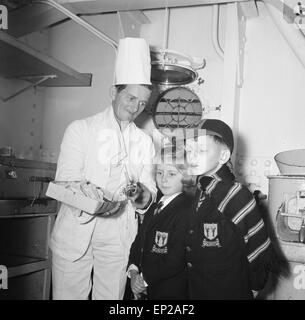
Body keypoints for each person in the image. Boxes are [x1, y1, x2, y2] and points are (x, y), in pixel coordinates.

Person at [50, 37, 157, 300]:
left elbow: (150, 194)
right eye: (131, 97)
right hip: (77, 227)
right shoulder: (81, 130)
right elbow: (66, 181)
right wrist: (94, 198)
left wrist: (142, 195)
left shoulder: (144, 141)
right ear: (113, 93)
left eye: (142, 103)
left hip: (118, 232)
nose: (135, 108)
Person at [184, 119, 274, 299]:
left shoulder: (235, 194)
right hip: (199, 288)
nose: (192, 157)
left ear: (223, 156)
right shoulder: (201, 189)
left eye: (201, 150)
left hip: (228, 290)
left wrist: (255, 286)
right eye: (188, 150)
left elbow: (259, 248)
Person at [127, 148, 193, 300]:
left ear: (186, 177)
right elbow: (139, 242)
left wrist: (143, 280)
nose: (164, 179)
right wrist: (133, 271)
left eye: (171, 174)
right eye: (159, 172)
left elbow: (175, 259)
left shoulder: (186, 210)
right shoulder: (156, 206)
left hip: (170, 292)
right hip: (145, 288)